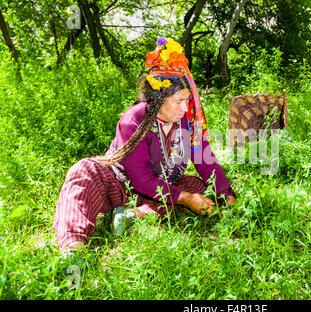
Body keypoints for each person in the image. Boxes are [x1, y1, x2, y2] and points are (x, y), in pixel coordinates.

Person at [54, 37, 236, 253]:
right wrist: (185, 199)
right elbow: (140, 178)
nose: (185, 108)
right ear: (158, 98)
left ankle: (133, 215)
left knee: (200, 187)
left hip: (158, 188)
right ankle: (74, 251)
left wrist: (228, 196)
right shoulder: (134, 120)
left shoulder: (188, 122)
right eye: (178, 100)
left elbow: (205, 160)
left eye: (187, 100)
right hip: (118, 183)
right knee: (83, 171)